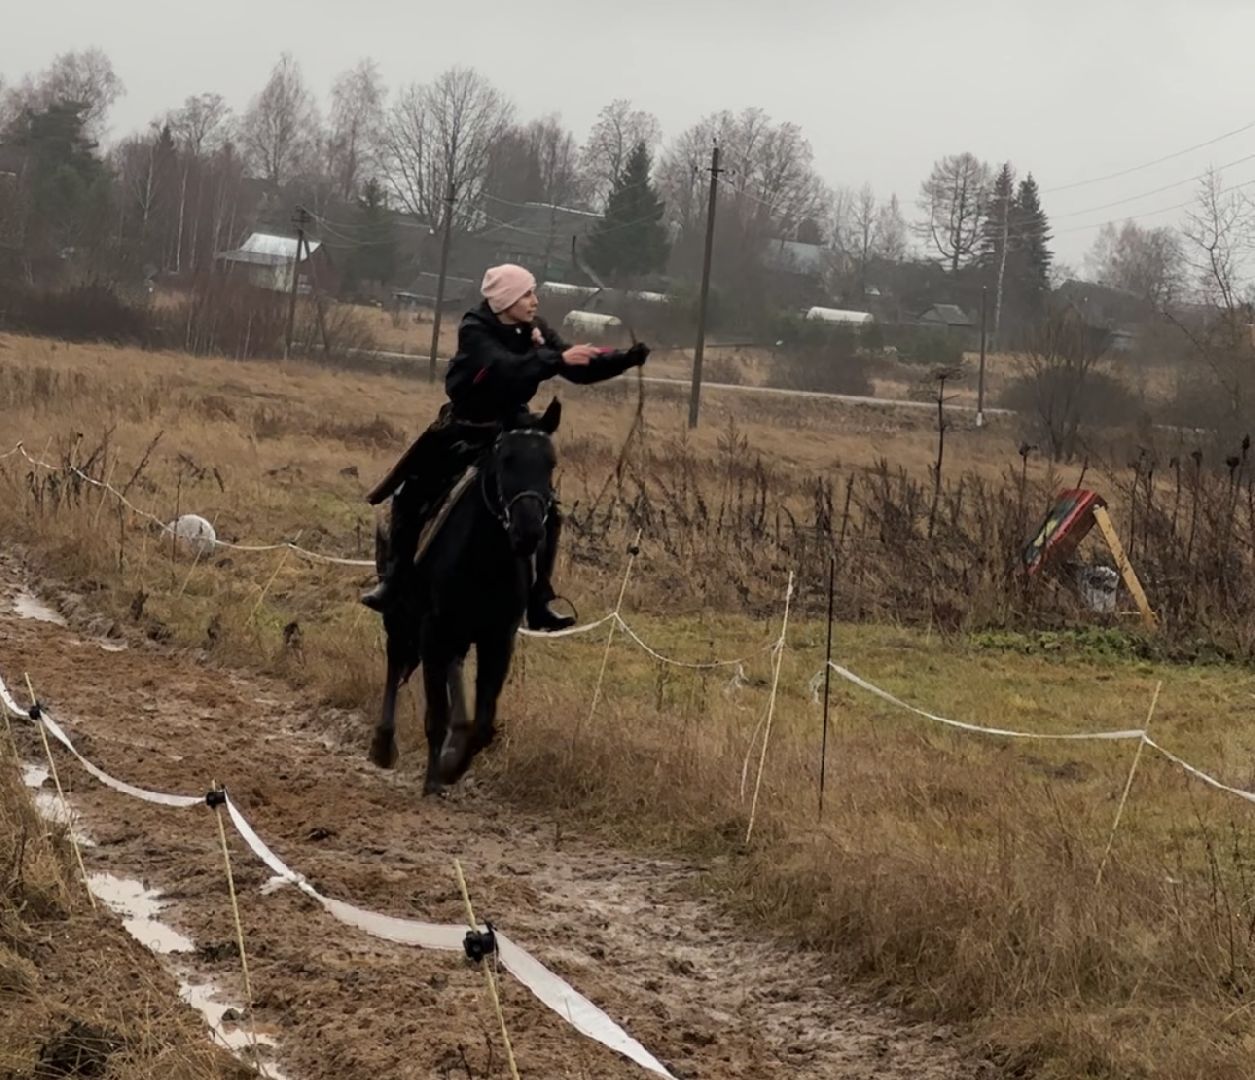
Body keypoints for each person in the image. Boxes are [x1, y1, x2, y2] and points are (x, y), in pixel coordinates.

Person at [360, 263, 649, 629]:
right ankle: (395, 581)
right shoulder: (475, 328)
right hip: (464, 427)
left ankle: (539, 599)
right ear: (507, 299)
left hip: (512, 430)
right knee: (410, 493)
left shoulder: (536, 329)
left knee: (547, 510)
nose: (534, 301)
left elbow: (575, 366)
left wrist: (624, 359)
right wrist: (556, 359)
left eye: (533, 293)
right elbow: (504, 367)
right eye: (527, 294)